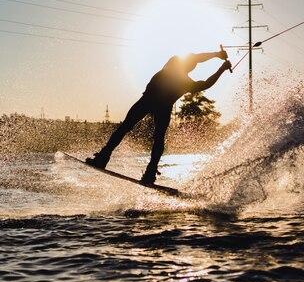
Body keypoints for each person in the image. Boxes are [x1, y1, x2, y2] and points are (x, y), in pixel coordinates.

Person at [86, 49, 232, 184]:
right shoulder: (182, 76)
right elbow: (205, 82)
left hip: (149, 102)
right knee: (156, 137)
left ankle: (105, 158)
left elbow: (200, 68)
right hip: (157, 104)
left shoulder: (172, 64)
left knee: (127, 128)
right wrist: (221, 67)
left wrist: (217, 56)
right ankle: (149, 171)